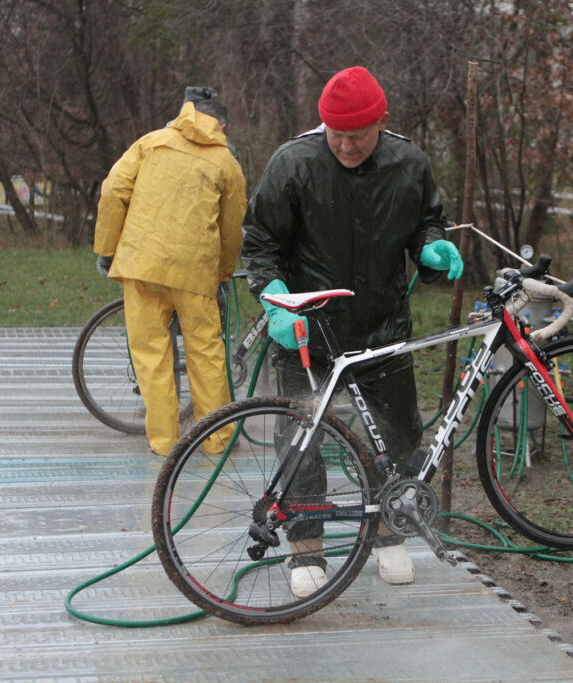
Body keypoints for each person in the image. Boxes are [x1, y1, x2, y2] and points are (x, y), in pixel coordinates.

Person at [241, 66, 463, 597]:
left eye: (356, 135)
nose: (344, 145)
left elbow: (427, 222)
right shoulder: (293, 163)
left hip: (383, 325)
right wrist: (275, 302)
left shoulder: (408, 163)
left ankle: (389, 533)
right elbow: (260, 243)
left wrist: (433, 249)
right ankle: (305, 547)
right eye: (334, 133)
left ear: (380, 123)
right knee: (302, 442)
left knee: (398, 435)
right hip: (306, 329)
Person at [93, 87, 246, 456]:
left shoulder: (150, 142)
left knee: (150, 354)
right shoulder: (226, 162)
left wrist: (107, 249)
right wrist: (224, 271)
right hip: (195, 274)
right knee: (206, 353)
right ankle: (218, 440)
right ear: (221, 126)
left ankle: (165, 444)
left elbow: (113, 190)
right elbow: (232, 225)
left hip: (141, 266)